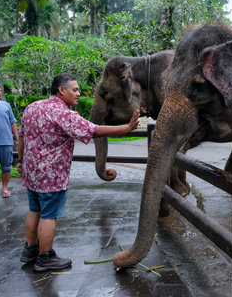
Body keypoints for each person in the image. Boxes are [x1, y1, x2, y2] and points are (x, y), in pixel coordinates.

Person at [17, 73, 140, 272]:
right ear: (61, 90)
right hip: (51, 175)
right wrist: (127, 127)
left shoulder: (32, 107)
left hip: (32, 174)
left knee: (35, 210)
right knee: (48, 215)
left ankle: (30, 250)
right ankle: (45, 257)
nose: (78, 93)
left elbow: (20, 137)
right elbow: (95, 130)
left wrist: (21, 161)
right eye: (75, 90)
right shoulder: (63, 113)